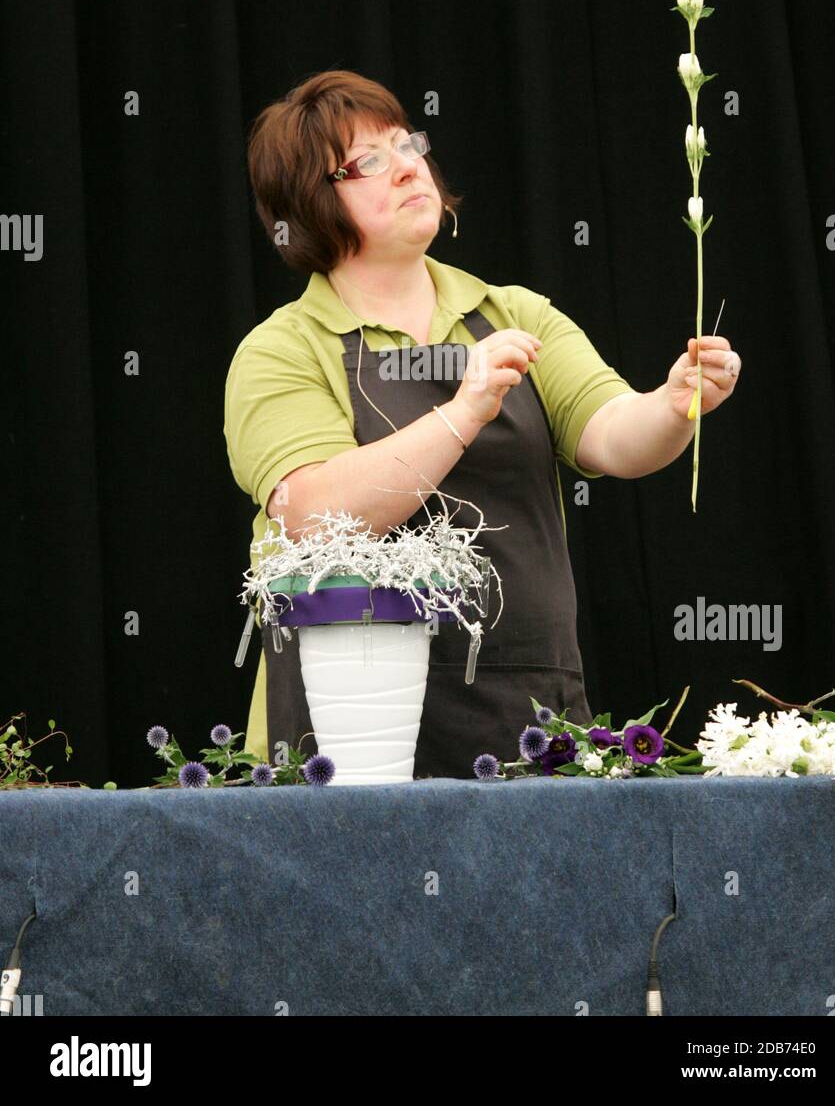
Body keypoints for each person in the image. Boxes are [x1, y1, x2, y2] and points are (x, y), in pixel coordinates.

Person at [223, 69, 741, 778]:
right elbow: (316, 512)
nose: (409, 166)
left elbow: (616, 437)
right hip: (350, 730)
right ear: (310, 203)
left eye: (407, 143)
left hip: (521, 710)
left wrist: (678, 400)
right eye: (369, 161)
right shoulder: (283, 348)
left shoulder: (515, 312)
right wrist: (462, 411)